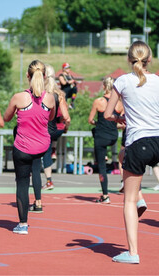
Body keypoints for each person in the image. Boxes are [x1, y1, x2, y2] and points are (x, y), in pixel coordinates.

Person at [105, 41, 159, 264]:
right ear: (149, 59)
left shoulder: (123, 81)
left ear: (129, 59)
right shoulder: (157, 80)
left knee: (129, 201)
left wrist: (120, 119)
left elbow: (108, 113)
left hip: (138, 141)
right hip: (158, 138)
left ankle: (133, 252)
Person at [4, 60, 55, 235]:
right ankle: (38, 201)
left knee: (22, 184)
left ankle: (23, 224)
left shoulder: (19, 97)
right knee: (37, 172)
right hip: (40, 146)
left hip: (23, 147)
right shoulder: (49, 98)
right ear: (45, 76)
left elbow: (6, 117)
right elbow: (50, 116)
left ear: (28, 75)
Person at [29, 64, 70, 213]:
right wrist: (65, 128)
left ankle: (46, 179)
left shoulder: (41, 92)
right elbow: (67, 117)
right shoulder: (60, 94)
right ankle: (49, 176)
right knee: (47, 148)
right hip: (57, 129)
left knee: (40, 153)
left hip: (43, 129)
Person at [88, 77, 124, 204]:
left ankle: (105, 195)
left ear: (104, 87)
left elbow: (90, 120)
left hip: (101, 137)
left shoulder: (99, 101)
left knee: (101, 166)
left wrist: (98, 123)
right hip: (113, 136)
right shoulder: (119, 104)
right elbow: (123, 122)